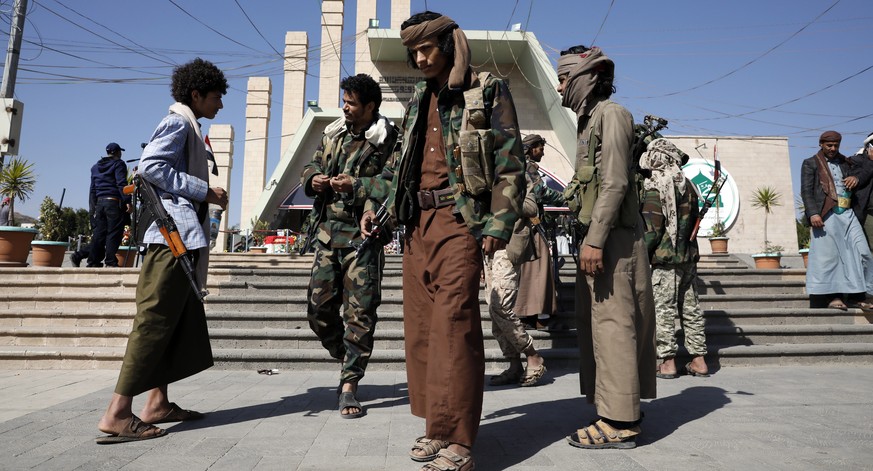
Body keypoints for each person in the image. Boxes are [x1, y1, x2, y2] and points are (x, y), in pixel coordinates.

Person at [360, 11, 524, 471]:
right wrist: (381, 208)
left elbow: (511, 163)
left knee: (455, 323)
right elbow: (401, 165)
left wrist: (496, 225)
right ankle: (436, 425)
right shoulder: (418, 97)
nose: (418, 57)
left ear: (449, 45)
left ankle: (459, 441)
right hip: (416, 225)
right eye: (413, 51)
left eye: (426, 48)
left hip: (461, 219)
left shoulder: (487, 88)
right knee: (424, 330)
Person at [96, 58, 229, 444]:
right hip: (170, 241)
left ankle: (157, 402)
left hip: (182, 240)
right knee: (154, 321)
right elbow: (150, 167)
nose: (220, 105)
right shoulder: (177, 122)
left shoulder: (189, 125)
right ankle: (117, 413)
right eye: (217, 97)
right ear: (197, 94)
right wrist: (206, 191)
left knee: (174, 321)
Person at [556, 44, 656, 449]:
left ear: (588, 77)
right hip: (600, 238)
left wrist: (594, 240)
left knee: (614, 328)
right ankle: (614, 406)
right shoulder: (589, 121)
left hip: (612, 240)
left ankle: (620, 422)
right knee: (599, 326)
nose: (559, 84)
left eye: (564, 76)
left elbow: (615, 182)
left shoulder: (612, 115)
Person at [300, 73, 399, 419]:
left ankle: (349, 385)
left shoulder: (389, 139)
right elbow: (312, 164)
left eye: (351, 102)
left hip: (364, 239)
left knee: (359, 314)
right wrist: (313, 179)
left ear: (370, 106)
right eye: (344, 100)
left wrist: (355, 185)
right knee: (318, 312)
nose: (345, 106)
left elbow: (395, 184)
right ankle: (346, 356)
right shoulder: (334, 133)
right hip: (328, 236)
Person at [639, 138, 709, 379]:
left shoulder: (656, 185)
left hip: (665, 259)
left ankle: (667, 362)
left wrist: (641, 256)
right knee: (691, 308)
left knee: (664, 309)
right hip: (688, 256)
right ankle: (698, 360)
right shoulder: (688, 185)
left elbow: (653, 228)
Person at [800, 130, 873, 311]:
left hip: (848, 214)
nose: (833, 149)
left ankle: (860, 296)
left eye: (836, 146)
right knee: (829, 259)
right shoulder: (810, 163)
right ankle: (833, 297)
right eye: (829, 145)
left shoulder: (847, 162)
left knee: (863, 253)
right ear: (821, 144)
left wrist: (857, 175)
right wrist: (813, 213)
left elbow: (863, 176)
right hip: (826, 215)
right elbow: (807, 191)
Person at [514, 134, 566, 330]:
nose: (542, 153)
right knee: (539, 270)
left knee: (530, 271)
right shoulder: (528, 167)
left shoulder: (517, 165)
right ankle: (540, 319)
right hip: (532, 227)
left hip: (523, 227)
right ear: (532, 148)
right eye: (540, 148)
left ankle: (528, 315)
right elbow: (540, 193)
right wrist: (567, 197)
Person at [86, 142, 132, 267]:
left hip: (99, 203)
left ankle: (93, 261)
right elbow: (121, 183)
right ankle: (111, 261)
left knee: (99, 233)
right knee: (114, 232)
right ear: (117, 152)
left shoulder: (95, 167)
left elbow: (93, 189)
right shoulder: (119, 164)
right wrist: (128, 201)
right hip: (113, 202)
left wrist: (92, 208)